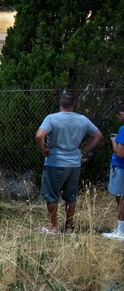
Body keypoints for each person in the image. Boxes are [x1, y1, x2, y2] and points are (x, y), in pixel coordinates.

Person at [35, 91, 102, 234]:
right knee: (71, 196)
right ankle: (69, 227)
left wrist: (43, 150)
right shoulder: (82, 119)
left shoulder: (52, 118)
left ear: (60, 102)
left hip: (56, 162)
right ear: (74, 105)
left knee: (52, 195)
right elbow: (97, 135)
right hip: (74, 163)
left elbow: (39, 135)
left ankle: (53, 226)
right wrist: (83, 149)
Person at [103, 103, 124, 241]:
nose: (119, 119)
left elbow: (120, 153)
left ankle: (121, 232)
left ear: (122, 113)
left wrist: (113, 141)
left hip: (121, 167)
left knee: (122, 197)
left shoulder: (123, 128)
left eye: (119, 116)